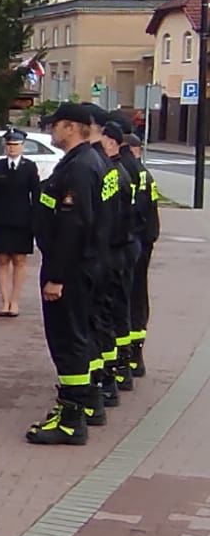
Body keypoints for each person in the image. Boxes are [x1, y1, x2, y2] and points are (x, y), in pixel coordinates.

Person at [26, 103, 101, 446]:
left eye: (55, 125)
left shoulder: (81, 167)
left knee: (68, 341)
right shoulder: (79, 162)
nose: (51, 131)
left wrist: (56, 276)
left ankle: (71, 420)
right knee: (73, 339)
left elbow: (73, 226)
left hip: (69, 269)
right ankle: (76, 408)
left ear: (70, 127)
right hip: (75, 266)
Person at [97, 120, 137, 400]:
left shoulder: (116, 174)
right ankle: (119, 366)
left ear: (111, 142)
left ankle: (114, 371)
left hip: (115, 251)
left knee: (111, 313)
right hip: (120, 249)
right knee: (116, 311)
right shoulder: (119, 170)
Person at [0, 128, 40, 317]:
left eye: (15, 145)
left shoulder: (29, 167)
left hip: (22, 221)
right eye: (9, 145)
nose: (12, 148)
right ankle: (4, 300)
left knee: (19, 260)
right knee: (2, 259)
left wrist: (36, 221)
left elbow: (36, 195)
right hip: (0, 220)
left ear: (22, 146)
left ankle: (15, 301)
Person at [120, 129, 159, 377]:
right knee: (139, 297)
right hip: (144, 242)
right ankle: (136, 355)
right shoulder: (146, 174)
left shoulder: (127, 172)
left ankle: (127, 357)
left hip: (130, 243)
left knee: (126, 299)